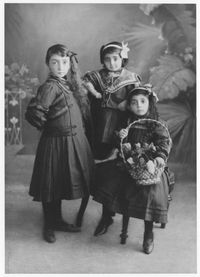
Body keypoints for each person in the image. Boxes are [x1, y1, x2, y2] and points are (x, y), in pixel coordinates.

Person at [25, 44, 94, 243]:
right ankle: (49, 224)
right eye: (54, 62)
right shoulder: (50, 86)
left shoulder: (68, 84)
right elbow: (36, 114)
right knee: (51, 184)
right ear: (48, 64)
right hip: (55, 143)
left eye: (64, 62)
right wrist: (49, 125)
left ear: (69, 63)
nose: (60, 67)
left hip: (72, 142)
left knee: (61, 182)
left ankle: (58, 220)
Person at [105, 84, 173, 254]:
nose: (139, 106)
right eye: (134, 102)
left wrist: (159, 156)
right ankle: (107, 218)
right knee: (112, 183)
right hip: (131, 165)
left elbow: (164, 143)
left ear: (149, 103)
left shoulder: (157, 123)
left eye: (143, 101)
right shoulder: (128, 122)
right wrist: (119, 136)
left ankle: (148, 232)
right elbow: (119, 144)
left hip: (151, 168)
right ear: (129, 106)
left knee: (150, 192)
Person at [82, 41, 141, 236]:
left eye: (115, 58)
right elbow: (85, 81)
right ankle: (104, 211)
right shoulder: (99, 76)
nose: (111, 63)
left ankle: (111, 213)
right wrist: (91, 91)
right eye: (107, 59)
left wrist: (129, 102)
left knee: (115, 169)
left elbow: (141, 101)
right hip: (98, 128)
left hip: (120, 129)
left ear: (122, 58)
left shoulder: (131, 78)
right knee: (99, 167)